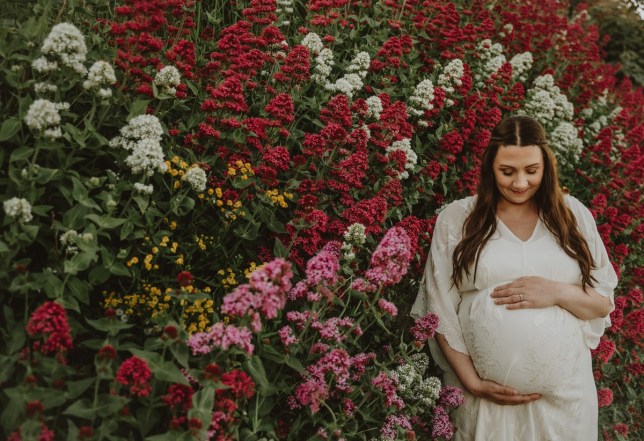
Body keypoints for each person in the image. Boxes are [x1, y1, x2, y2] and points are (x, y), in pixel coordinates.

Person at [410, 115, 618, 441]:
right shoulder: (457, 219)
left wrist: (557, 292)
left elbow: (602, 303)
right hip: (481, 400)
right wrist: (472, 381)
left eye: (531, 171)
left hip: (565, 402)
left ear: (546, 167)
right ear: (489, 166)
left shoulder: (573, 216)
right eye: (507, 171)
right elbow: (439, 309)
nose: (519, 183)